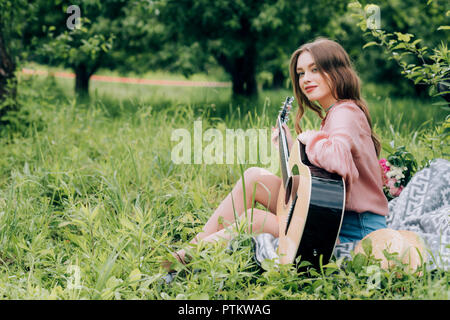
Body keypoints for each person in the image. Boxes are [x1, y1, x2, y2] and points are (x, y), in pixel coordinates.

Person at [162, 37, 388, 271]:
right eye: (301, 73)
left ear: (337, 71)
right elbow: (326, 185)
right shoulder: (334, 114)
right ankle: (192, 248)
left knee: (253, 219)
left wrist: (306, 138)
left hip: (354, 231)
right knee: (253, 177)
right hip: (331, 219)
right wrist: (291, 149)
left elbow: (336, 158)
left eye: (315, 69)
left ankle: (183, 262)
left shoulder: (345, 113)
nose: (306, 79)